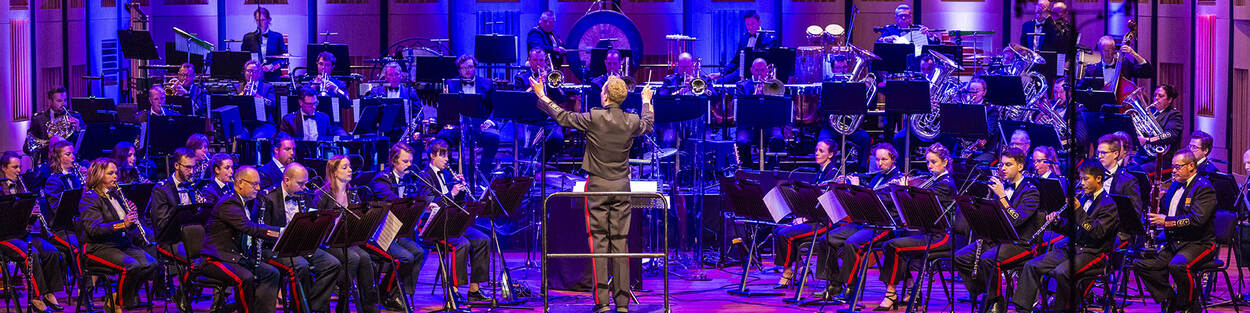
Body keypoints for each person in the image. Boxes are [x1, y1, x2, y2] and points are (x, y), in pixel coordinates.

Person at [530, 73, 654, 313]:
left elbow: (563, 117)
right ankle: (622, 304)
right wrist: (646, 100)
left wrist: (542, 95)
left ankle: (603, 303)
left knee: (599, 244)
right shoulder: (631, 119)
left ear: (605, 95)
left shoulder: (595, 117)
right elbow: (647, 124)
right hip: (620, 187)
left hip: (597, 187)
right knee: (620, 244)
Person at [1013, 163, 1120, 313]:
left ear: (1098, 179)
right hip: (1073, 247)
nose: (1081, 183)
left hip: (1093, 252)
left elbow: (1098, 233)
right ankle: (1023, 309)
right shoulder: (1083, 198)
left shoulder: (1108, 204)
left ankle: (1063, 309)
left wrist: (1078, 210)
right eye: (1080, 179)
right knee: (1032, 265)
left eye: (1085, 179)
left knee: (1062, 272)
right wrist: (1058, 221)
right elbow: (1072, 228)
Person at [872, 143, 962, 310]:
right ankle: (912, 289)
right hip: (929, 232)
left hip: (942, 236)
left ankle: (891, 293)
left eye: (934, 162)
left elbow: (921, 204)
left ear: (945, 162)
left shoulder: (945, 184)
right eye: (928, 162)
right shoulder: (934, 180)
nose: (929, 166)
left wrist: (905, 189)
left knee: (892, 245)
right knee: (897, 241)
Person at [953, 147, 1042, 313]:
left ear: (1020, 166)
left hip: (1021, 244)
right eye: (1002, 164)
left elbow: (1016, 220)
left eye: (1008, 164)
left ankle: (995, 301)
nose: (1003, 168)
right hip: (999, 240)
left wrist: (1002, 197)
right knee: (960, 257)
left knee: (988, 259)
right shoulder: (1000, 187)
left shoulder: (1031, 191)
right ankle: (992, 295)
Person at [812, 143, 904, 300]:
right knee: (826, 239)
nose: (880, 163)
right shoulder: (877, 176)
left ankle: (850, 287)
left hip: (883, 226)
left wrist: (857, 189)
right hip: (864, 221)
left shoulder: (898, 180)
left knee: (852, 243)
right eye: (877, 159)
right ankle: (834, 285)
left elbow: (877, 201)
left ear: (893, 159)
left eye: (884, 159)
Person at [1134, 149, 1217, 313]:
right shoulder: (1174, 185)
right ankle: (1170, 299)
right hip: (1176, 242)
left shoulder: (1204, 188)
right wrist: (1160, 199)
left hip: (1199, 243)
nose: (1173, 170)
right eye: (1173, 166)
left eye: (1177, 167)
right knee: (1143, 264)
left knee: (1178, 265)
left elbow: (1196, 220)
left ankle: (1189, 306)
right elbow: (1169, 210)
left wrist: (1166, 221)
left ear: (1191, 166)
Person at [257, 162, 343, 313]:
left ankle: (311, 305)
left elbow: (312, 217)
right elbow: (263, 231)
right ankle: (301, 309)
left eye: (305, 183)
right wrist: (285, 233)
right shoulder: (268, 198)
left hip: (301, 245)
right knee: (301, 266)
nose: (304, 188)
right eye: (300, 183)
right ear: (287, 180)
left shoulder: (302, 194)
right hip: (276, 248)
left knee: (333, 264)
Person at [414, 140, 492, 303]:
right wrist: (452, 193)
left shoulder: (448, 175)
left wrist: (461, 189)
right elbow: (430, 203)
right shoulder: (424, 176)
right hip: (435, 225)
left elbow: (457, 203)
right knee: (462, 244)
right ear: (432, 156)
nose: (447, 159)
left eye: (447, 155)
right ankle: (453, 290)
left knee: (483, 240)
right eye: (443, 156)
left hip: (453, 221)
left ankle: (474, 290)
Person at [78, 157, 159, 312]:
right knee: (131, 265)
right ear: (99, 175)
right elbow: (94, 230)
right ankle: (118, 304)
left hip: (119, 245)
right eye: (110, 173)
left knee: (151, 264)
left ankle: (116, 298)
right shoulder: (89, 199)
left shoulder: (116, 195)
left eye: (115, 173)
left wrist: (132, 218)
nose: (115, 176)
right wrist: (123, 223)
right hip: (98, 248)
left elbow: (128, 229)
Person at [200, 166, 283, 313]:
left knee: (271, 273)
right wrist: (279, 232)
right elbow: (248, 227)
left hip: (236, 257)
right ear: (239, 183)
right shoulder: (229, 203)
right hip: (217, 258)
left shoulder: (245, 201)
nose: (258, 188)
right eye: (254, 184)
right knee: (244, 278)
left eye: (258, 184)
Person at [362, 143, 428, 309]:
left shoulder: (406, 179)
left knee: (419, 252)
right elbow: (394, 202)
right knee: (406, 257)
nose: (409, 165)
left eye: (410, 161)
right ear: (393, 161)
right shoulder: (380, 180)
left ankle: (400, 294)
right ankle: (385, 292)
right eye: (405, 161)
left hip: (394, 232)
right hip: (377, 234)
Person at [313, 155, 381, 313]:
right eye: (345, 167)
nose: (350, 170)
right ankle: (343, 302)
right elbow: (317, 223)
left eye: (349, 166)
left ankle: (369, 308)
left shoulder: (352, 193)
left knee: (365, 258)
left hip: (347, 239)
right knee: (354, 258)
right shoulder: (322, 194)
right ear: (334, 172)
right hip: (327, 242)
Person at [0, 151, 65, 312]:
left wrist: (32, 215)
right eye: (14, 167)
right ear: (3, 168)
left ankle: (49, 293)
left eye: (19, 167)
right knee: (32, 253)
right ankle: (36, 297)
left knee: (51, 251)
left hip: (21, 234)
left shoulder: (22, 186)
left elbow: (25, 221)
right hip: (4, 237)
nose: (18, 171)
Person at [144, 148, 207, 312]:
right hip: (170, 239)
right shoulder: (162, 188)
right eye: (187, 167)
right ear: (176, 165)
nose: (191, 171)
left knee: (213, 253)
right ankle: (183, 294)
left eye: (193, 167)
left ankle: (185, 292)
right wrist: (184, 214)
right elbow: (162, 223)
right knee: (194, 259)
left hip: (191, 237)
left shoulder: (193, 185)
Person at [769, 140, 837, 289]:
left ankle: (787, 272)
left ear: (830, 154)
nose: (817, 153)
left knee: (785, 234)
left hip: (824, 222)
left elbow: (824, 207)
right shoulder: (820, 173)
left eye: (821, 151)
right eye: (816, 150)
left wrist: (805, 219)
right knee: (778, 230)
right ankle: (801, 269)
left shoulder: (833, 174)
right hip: (813, 218)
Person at [441, 54, 501, 179]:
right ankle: (450, 173)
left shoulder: (487, 83)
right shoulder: (451, 84)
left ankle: (484, 172)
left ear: (475, 67)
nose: (467, 70)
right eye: (463, 68)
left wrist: (490, 121)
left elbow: (496, 107)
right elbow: (446, 107)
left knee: (493, 137)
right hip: (458, 125)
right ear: (459, 70)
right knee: (443, 137)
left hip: (481, 126)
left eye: (469, 67)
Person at [512, 48, 566, 162]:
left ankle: (540, 162)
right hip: (528, 119)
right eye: (535, 60)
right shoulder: (521, 77)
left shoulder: (551, 76)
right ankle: (530, 165)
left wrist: (549, 83)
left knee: (558, 139)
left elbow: (562, 97)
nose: (538, 63)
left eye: (541, 60)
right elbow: (519, 100)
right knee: (522, 140)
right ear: (529, 61)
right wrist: (534, 84)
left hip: (547, 118)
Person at [734, 58, 785, 168]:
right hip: (748, 126)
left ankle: (770, 171)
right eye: (757, 70)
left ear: (767, 70)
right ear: (751, 70)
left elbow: (779, 107)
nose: (759, 73)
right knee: (741, 142)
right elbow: (739, 105)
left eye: (762, 70)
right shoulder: (742, 86)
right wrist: (756, 95)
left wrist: (769, 95)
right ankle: (747, 170)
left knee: (778, 139)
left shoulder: (773, 85)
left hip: (769, 125)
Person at [714, 11, 778, 83]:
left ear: (759, 22)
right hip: (741, 72)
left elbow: (768, 62)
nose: (750, 27)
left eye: (753, 24)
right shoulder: (743, 39)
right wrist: (721, 73)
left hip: (758, 73)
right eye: (747, 24)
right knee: (720, 81)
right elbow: (736, 61)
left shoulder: (769, 39)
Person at [24, 86, 84, 164]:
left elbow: (84, 145)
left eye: (65, 100)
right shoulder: (39, 119)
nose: (63, 104)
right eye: (59, 101)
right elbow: (27, 147)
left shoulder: (75, 116)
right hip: (48, 163)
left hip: (71, 162)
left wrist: (78, 130)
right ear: (50, 101)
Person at [1135, 84, 1184, 172]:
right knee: (1125, 169)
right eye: (1155, 95)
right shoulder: (1151, 112)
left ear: (1169, 100)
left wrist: (1147, 140)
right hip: (1145, 155)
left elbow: (1170, 135)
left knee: (1139, 171)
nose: (1156, 98)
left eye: (1160, 96)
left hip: (1163, 159)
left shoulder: (1174, 115)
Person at [1080, 35, 1154, 90]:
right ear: (1099, 51)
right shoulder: (1091, 71)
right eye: (1104, 50)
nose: (1107, 53)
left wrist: (1134, 54)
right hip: (1100, 109)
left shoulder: (1124, 65)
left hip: (1121, 108)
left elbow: (1148, 73)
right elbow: (1080, 90)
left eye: (1110, 49)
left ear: (1114, 50)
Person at [279, 86, 348, 141]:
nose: (314, 107)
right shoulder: (288, 120)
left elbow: (330, 135)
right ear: (300, 102)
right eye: (309, 104)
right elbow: (284, 140)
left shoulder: (324, 118)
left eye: (315, 103)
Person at [241, 7, 288, 82]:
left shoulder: (277, 37)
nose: (260, 23)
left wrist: (272, 66)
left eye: (263, 20)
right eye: (257, 20)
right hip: (254, 76)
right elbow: (243, 58)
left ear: (269, 20)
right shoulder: (248, 37)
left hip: (273, 76)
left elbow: (284, 59)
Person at [237, 60, 278, 140]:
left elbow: (272, 104)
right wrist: (242, 93)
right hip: (245, 123)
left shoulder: (267, 87)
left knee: (257, 138)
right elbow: (234, 103)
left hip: (264, 123)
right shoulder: (239, 87)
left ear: (259, 73)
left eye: (253, 71)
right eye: (248, 71)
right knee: (240, 137)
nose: (251, 74)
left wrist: (255, 95)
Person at [42, 141, 86, 210]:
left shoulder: (75, 177)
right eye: (68, 154)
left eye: (73, 153)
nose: (73, 157)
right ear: (58, 158)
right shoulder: (53, 181)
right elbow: (56, 209)